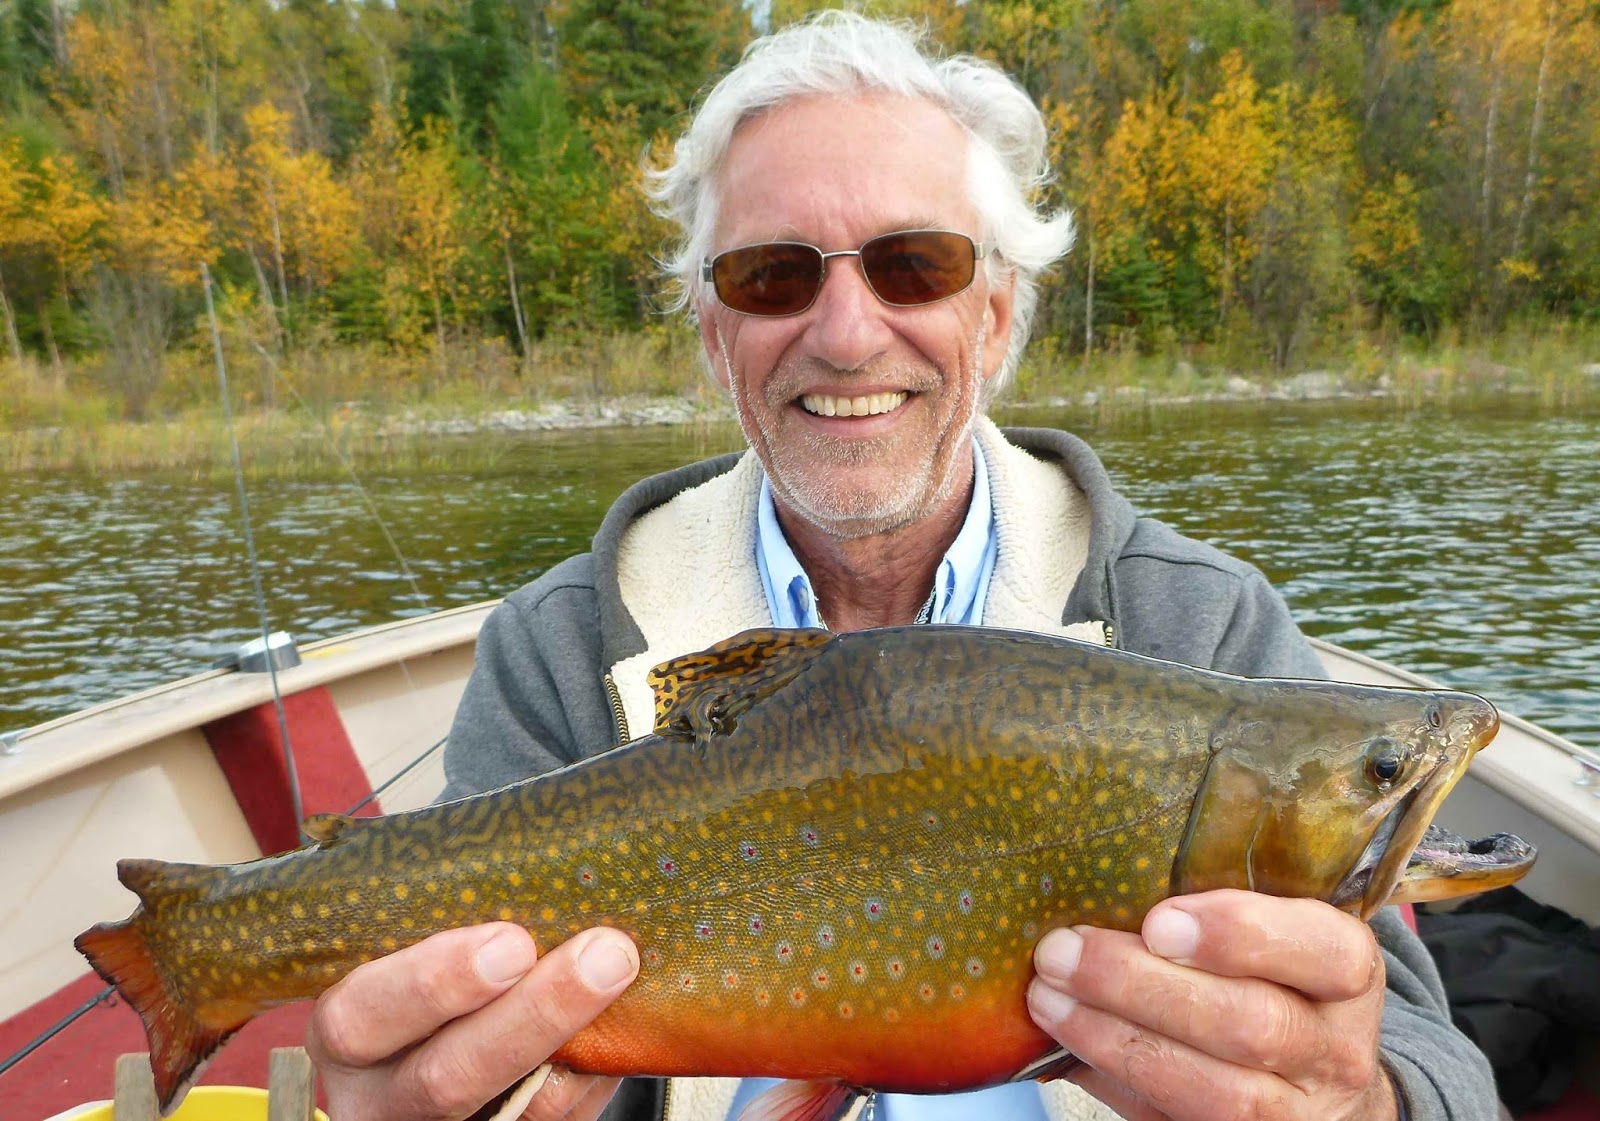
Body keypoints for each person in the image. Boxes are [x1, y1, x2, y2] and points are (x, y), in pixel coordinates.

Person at [303, 12, 1500, 1121]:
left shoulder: (1203, 625)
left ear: (995, 311)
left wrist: (1361, 1098)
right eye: (771, 274)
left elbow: (1438, 1067)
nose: (843, 330)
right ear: (716, 332)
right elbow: (458, 1034)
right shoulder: (557, 645)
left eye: (913, 263)